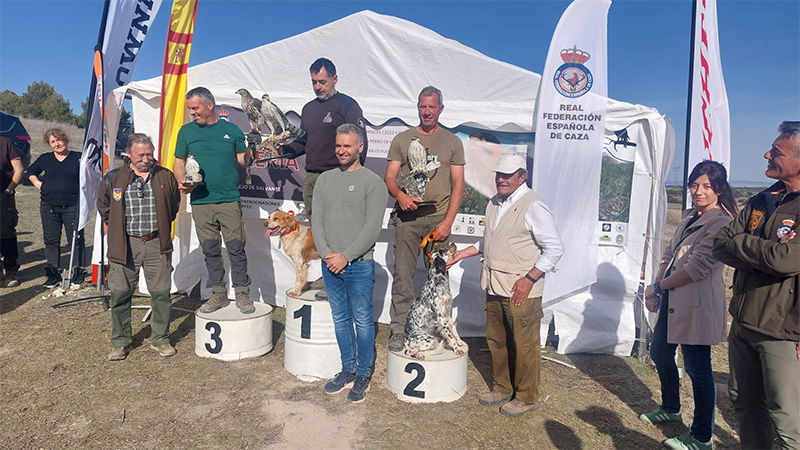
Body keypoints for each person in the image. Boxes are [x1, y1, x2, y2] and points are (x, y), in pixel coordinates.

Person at [448, 153, 563, 417]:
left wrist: (529, 279)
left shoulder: (534, 206)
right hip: (494, 284)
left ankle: (526, 397)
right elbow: (492, 239)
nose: (501, 179)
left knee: (524, 345)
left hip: (521, 289)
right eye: (499, 174)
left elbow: (555, 248)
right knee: (497, 340)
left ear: (522, 177)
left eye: (508, 175)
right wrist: (463, 253)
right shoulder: (494, 202)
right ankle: (502, 387)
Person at [712, 121, 800, 450]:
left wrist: (745, 245)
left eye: (776, 152)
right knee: (745, 405)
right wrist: (766, 256)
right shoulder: (762, 199)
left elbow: (786, 260)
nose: (766, 155)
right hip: (743, 322)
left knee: (787, 420)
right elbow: (720, 244)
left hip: (784, 332)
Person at [638, 161, 736, 450]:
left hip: (697, 305)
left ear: (720, 189)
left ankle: (702, 436)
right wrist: (657, 285)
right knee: (660, 353)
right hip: (673, 299)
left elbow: (697, 268)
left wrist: (659, 287)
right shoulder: (689, 216)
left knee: (698, 369)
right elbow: (669, 254)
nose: (698, 191)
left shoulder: (721, 222)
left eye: (706, 186)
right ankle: (671, 407)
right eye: (694, 185)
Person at [384, 86, 465, 351]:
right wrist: (400, 196)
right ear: (417, 107)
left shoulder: (453, 142)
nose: (427, 111)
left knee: (439, 281)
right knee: (403, 277)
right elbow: (389, 177)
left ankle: (440, 331)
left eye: (432, 107)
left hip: (438, 219)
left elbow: (458, 185)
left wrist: (448, 222)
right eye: (422, 106)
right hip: (407, 220)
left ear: (441, 109)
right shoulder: (402, 139)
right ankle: (399, 330)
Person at [311, 124, 387, 403]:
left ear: (360, 148)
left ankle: (364, 373)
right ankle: (348, 369)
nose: (341, 151)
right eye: (338, 145)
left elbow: (372, 228)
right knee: (340, 319)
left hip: (359, 265)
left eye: (347, 146)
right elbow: (317, 220)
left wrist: (346, 256)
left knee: (363, 321)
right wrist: (327, 254)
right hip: (330, 264)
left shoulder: (373, 183)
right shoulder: (324, 180)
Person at [97, 134, 181, 361]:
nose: (146, 159)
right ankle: (120, 342)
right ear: (128, 154)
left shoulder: (165, 176)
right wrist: (116, 227)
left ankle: (161, 339)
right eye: (141, 155)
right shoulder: (113, 177)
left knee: (161, 294)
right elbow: (104, 206)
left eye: (149, 154)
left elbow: (173, 206)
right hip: (125, 244)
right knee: (120, 294)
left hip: (156, 243)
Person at [173, 87, 255, 315]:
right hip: (201, 201)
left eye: (195, 108)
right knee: (210, 250)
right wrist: (181, 180)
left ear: (210, 105)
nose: (192, 113)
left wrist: (252, 150)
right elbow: (179, 161)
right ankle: (218, 293)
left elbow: (244, 161)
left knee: (236, 248)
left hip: (228, 199)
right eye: (190, 109)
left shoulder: (232, 130)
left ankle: (242, 294)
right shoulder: (186, 131)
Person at [281, 57, 369, 216]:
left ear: (334, 79)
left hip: (338, 175)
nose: (317, 87)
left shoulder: (348, 105)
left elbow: (360, 141)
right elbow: (304, 141)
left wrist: (352, 177)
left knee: (338, 225)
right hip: (312, 179)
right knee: (315, 226)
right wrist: (283, 151)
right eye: (314, 82)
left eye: (322, 82)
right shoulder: (308, 108)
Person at [27, 128, 86, 288]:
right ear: (49, 144)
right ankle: (53, 274)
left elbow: (91, 173)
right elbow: (30, 172)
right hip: (49, 206)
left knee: (76, 240)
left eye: (59, 140)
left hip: (72, 205)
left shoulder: (78, 157)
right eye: (52, 142)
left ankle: (78, 272)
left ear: (65, 139)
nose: (57, 144)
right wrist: (38, 184)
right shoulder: (45, 158)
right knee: (51, 241)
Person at [0, 136, 22, 287]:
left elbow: (19, 169)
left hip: (3, 195)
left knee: (6, 232)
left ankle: (10, 269)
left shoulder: (5, 142)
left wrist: (9, 190)